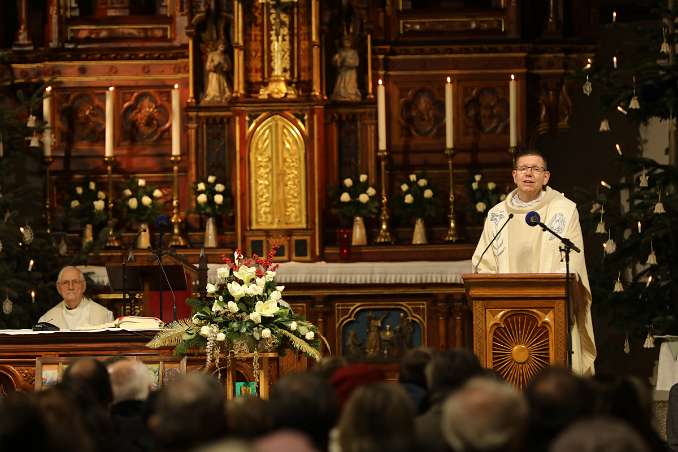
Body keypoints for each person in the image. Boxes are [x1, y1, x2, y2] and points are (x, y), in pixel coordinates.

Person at [471, 149, 596, 376]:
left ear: (546, 177)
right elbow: (483, 261)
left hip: (551, 308)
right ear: (514, 175)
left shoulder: (564, 211)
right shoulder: (497, 215)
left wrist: (552, 287)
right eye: (523, 169)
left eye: (536, 169)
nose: (529, 174)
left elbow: (573, 259)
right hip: (505, 315)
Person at [38, 266, 113, 330]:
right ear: (58, 288)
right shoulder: (47, 320)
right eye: (65, 283)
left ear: (83, 286)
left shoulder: (105, 316)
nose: (70, 287)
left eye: (75, 282)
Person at [330, 35, 361, 102]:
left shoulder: (353, 52)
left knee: (350, 87)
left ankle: (351, 95)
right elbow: (335, 62)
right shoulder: (340, 52)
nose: (347, 42)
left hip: (350, 73)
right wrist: (338, 60)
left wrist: (346, 61)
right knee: (341, 86)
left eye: (348, 40)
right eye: (345, 40)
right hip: (342, 73)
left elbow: (356, 63)